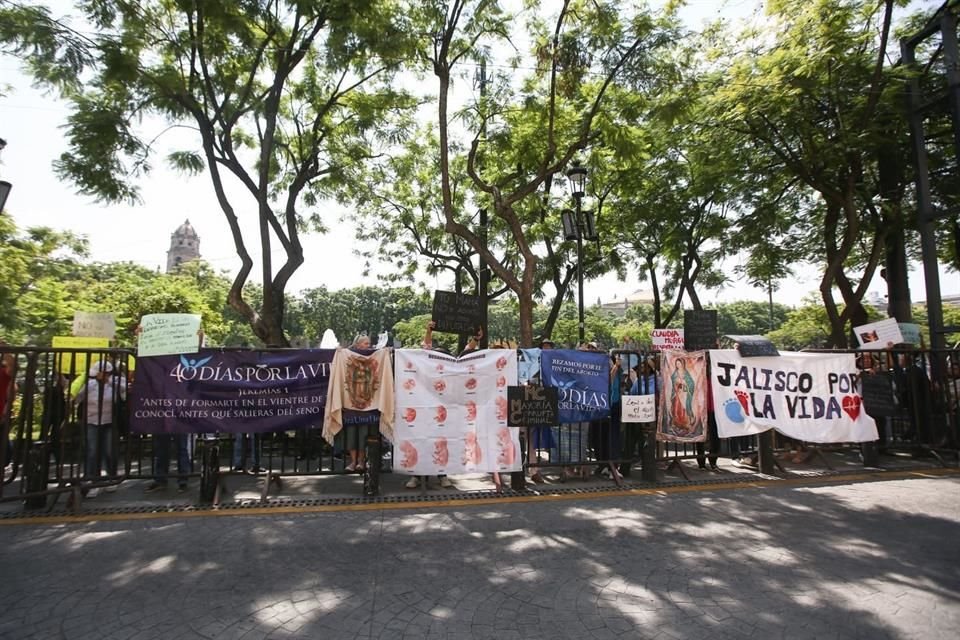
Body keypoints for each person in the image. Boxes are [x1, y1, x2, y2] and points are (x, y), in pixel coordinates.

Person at [406, 320, 454, 489]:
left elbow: (467, 354)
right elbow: (426, 346)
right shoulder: (425, 367)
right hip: (422, 413)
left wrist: (476, 340)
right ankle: (417, 476)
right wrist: (429, 330)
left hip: (441, 415)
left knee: (440, 444)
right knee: (421, 442)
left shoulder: (449, 371)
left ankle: (442, 475)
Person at [74, 360, 126, 496]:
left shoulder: (115, 382)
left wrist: (110, 381)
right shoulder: (89, 385)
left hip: (110, 421)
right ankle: (92, 481)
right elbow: (75, 397)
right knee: (92, 451)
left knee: (109, 450)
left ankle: (111, 478)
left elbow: (125, 389)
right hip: (92, 421)